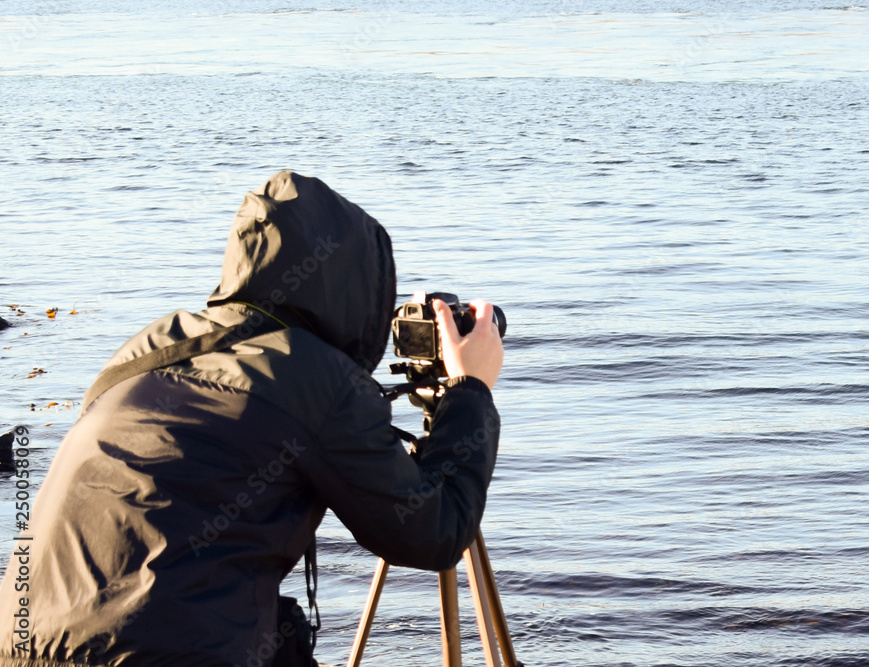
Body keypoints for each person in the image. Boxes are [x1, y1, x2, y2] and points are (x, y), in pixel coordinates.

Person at [0, 171, 504, 666]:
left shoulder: (148, 348)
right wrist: (470, 391)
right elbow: (434, 533)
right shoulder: (316, 378)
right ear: (358, 289)